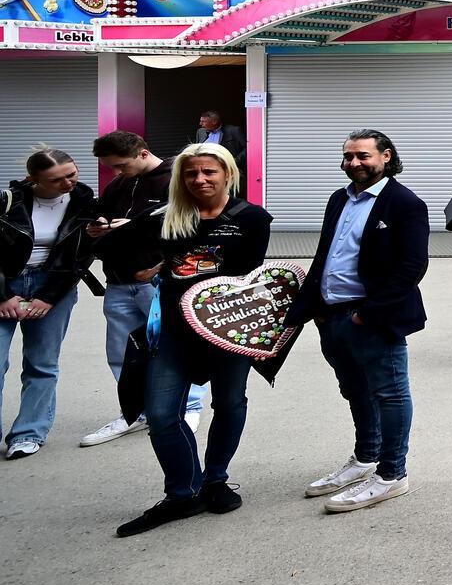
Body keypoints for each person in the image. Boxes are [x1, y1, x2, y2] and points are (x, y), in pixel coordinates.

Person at [116, 144, 273, 536]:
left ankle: (215, 480)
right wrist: (143, 263)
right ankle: (183, 492)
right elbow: (112, 250)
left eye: (209, 172)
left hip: (229, 330)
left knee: (230, 402)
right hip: (173, 331)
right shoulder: (166, 217)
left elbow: (251, 277)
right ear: (180, 178)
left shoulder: (252, 218)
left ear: (227, 175)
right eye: (191, 173)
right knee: (163, 415)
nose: (200, 179)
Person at [292, 130, 430, 514]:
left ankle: (391, 475)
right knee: (354, 390)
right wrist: (315, 308)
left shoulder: (405, 204)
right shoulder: (340, 198)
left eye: (363, 156)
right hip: (331, 314)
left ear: (386, 157)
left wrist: (367, 314)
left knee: (390, 393)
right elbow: (325, 253)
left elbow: (411, 267)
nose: (354, 163)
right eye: (349, 156)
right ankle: (365, 459)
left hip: (372, 318)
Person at [82, 132, 203, 446]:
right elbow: (104, 218)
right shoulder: (119, 185)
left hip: (157, 281)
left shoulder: (178, 180)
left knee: (173, 346)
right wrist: (98, 227)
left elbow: (193, 227)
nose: (117, 172)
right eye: (112, 167)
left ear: (143, 153)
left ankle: (187, 408)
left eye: (121, 165)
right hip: (119, 282)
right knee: (122, 352)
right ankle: (135, 412)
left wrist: (160, 262)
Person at [0, 147, 96, 459]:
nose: (68, 183)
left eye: (71, 174)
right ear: (34, 180)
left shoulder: (85, 204)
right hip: (7, 284)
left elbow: (80, 257)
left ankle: (28, 434)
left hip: (51, 287)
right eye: (56, 180)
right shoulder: (7, 202)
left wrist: (48, 297)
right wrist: (3, 296)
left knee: (42, 364)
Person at [192, 110, 245, 179]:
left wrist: (235, 161)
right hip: (206, 171)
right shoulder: (201, 132)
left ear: (214, 122)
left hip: (228, 171)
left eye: (203, 121)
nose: (200, 124)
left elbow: (247, 148)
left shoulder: (233, 130)